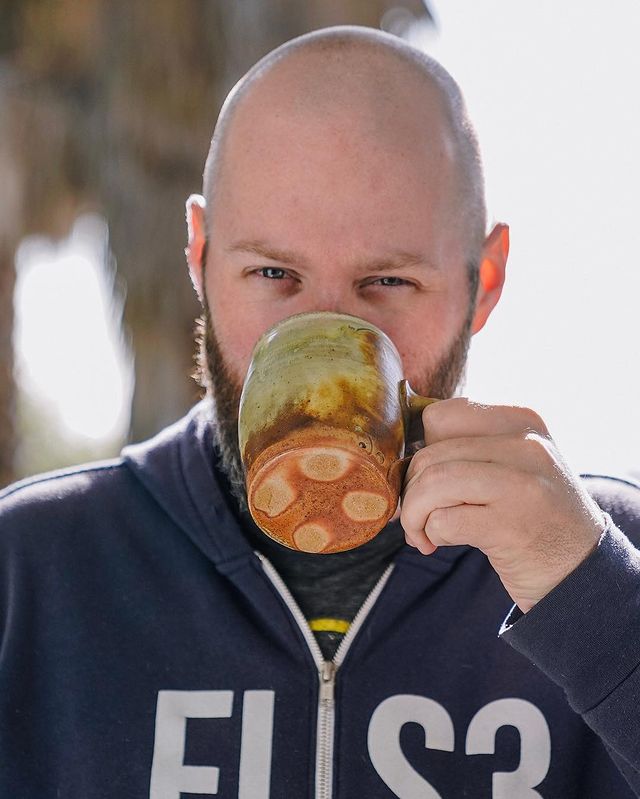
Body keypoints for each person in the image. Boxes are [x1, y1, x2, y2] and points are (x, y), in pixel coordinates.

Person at [1, 25, 639, 799]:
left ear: (485, 278)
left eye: (389, 282)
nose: (326, 340)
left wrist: (598, 610)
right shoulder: (31, 571)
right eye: (274, 272)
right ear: (200, 257)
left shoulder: (603, 556)